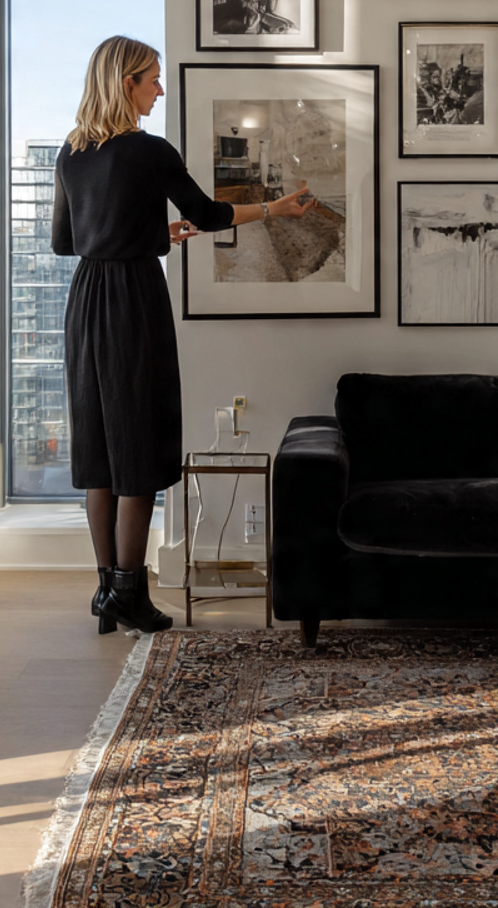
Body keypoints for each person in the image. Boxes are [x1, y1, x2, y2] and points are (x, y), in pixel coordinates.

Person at [51, 35, 316, 634]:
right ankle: (132, 595)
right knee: (139, 448)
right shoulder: (148, 151)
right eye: (152, 80)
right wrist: (274, 209)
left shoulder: (71, 151)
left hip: (87, 302)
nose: (159, 90)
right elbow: (212, 213)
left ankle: (106, 592)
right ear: (126, 85)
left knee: (99, 454)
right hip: (133, 302)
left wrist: (146, 231)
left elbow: (65, 243)